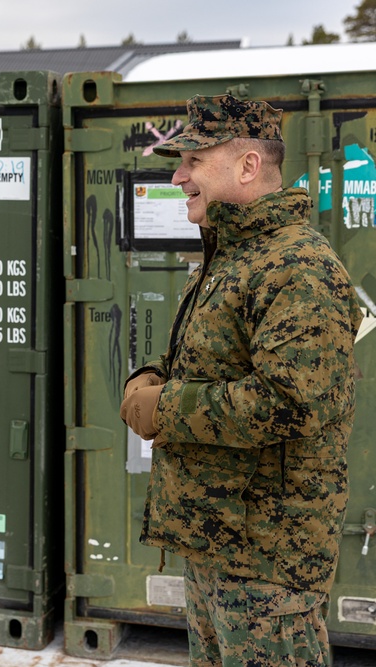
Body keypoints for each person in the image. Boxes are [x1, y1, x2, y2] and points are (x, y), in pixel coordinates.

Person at [120, 94, 362, 666]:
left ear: (248, 166)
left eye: (193, 161)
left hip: (269, 567)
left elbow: (290, 401)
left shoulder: (297, 267)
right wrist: (149, 378)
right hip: (219, 545)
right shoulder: (232, 258)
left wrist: (165, 406)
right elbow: (210, 362)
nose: (178, 176)